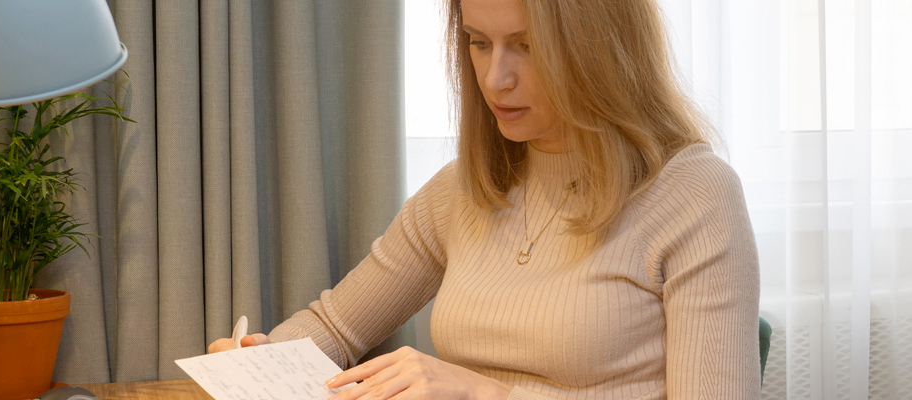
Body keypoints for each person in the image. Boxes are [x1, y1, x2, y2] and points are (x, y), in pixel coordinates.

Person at [209, 0, 761, 397]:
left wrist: (485, 394)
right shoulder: (460, 190)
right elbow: (336, 329)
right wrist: (263, 364)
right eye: (478, 42)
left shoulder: (695, 196)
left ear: (600, 47)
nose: (495, 78)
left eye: (528, 46)